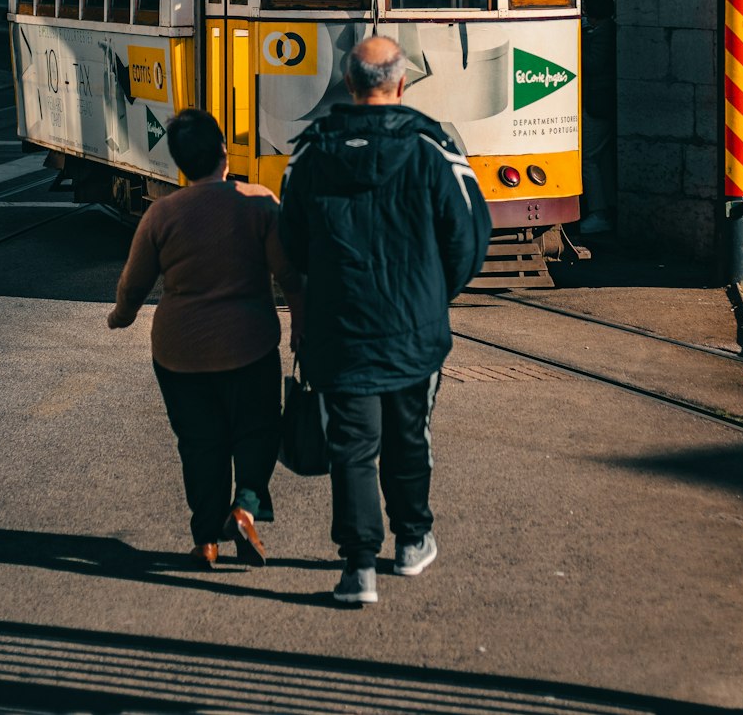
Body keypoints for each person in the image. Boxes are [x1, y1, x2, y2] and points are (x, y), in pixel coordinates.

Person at [279, 35, 492, 607]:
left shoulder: (312, 152)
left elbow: (291, 245)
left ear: (348, 83)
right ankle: (412, 541)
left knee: (351, 445)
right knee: (408, 436)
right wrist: (431, 294)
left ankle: (357, 569)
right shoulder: (434, 148)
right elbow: (469, 238)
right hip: (414, 330)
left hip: (338, 330)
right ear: (401, 84)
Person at [107, 108, 304, 569]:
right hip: (249, 346)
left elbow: (133, 285)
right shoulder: (260, 203)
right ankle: (245, 508)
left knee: (200, 443)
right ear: (223, 154)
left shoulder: (161, 214)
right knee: (257, 432)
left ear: (179, 162)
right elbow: (290, 275)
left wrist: (121, 317)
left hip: (180, 353)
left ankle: (205, 541)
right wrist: (303, 324)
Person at [579, 0, 617, 237]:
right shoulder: (601, 29)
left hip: (598, 102)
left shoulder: (602, 32)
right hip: (600, 101)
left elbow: (593, 64)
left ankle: (598, 213)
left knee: (589, 158)